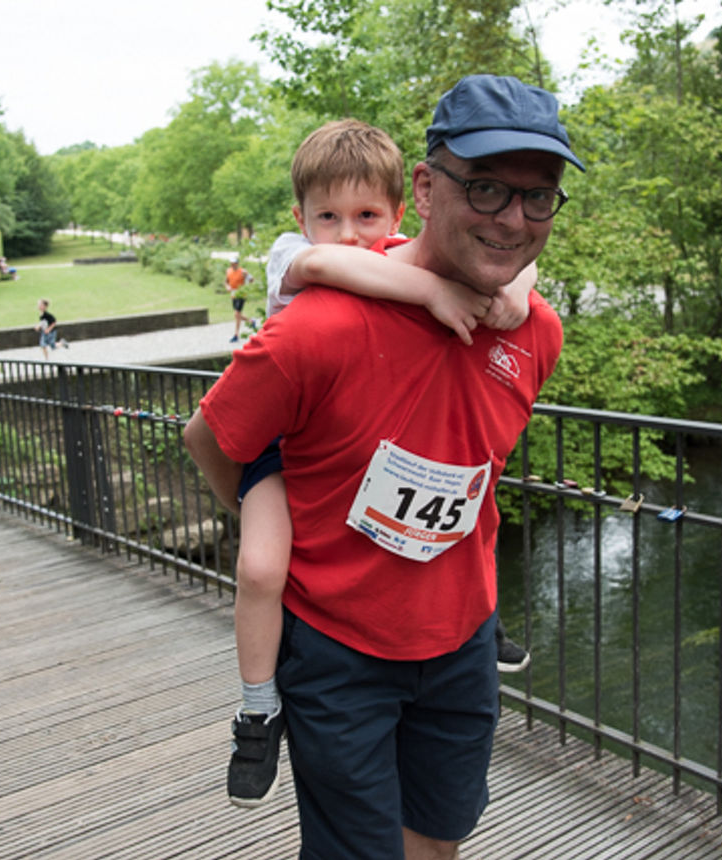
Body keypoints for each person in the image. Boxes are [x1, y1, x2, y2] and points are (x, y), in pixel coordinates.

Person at [184, 74, 583, 857]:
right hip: (340, 655)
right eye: (490, 188)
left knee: (437, 843)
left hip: (463, 642)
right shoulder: (315, 329)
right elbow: (209, 437)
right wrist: (297, 537)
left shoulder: (535, 332)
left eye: (539, 199)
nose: (514, 218)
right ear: (428, 189)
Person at [221, 118, 536, 811]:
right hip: (280, 440)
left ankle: (484, 620)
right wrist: (430, 292)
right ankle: (255, 710)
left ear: (397, 212)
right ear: (299, 219)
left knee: (461, 468)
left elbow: (507, 251)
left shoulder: (394, 248)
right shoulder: (296, 258)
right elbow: (340, 267)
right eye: (327, 216)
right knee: (262, 566)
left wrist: (520, 281)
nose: (351, 233)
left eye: (367, 216)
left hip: (384, 473)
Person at [225, 258, 252, 343]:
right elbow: (226, 281)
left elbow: (251, 280)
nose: (233, 265)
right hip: (233, 295)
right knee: (237, 315)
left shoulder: (242, 271)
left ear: (237, 263)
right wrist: (227, 287)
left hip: (241, 294)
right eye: (232, 263)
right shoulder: (228, 271)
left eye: (235, 263)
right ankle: (251, 321)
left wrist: (247, 277)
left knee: (237, 314)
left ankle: (236, 335)